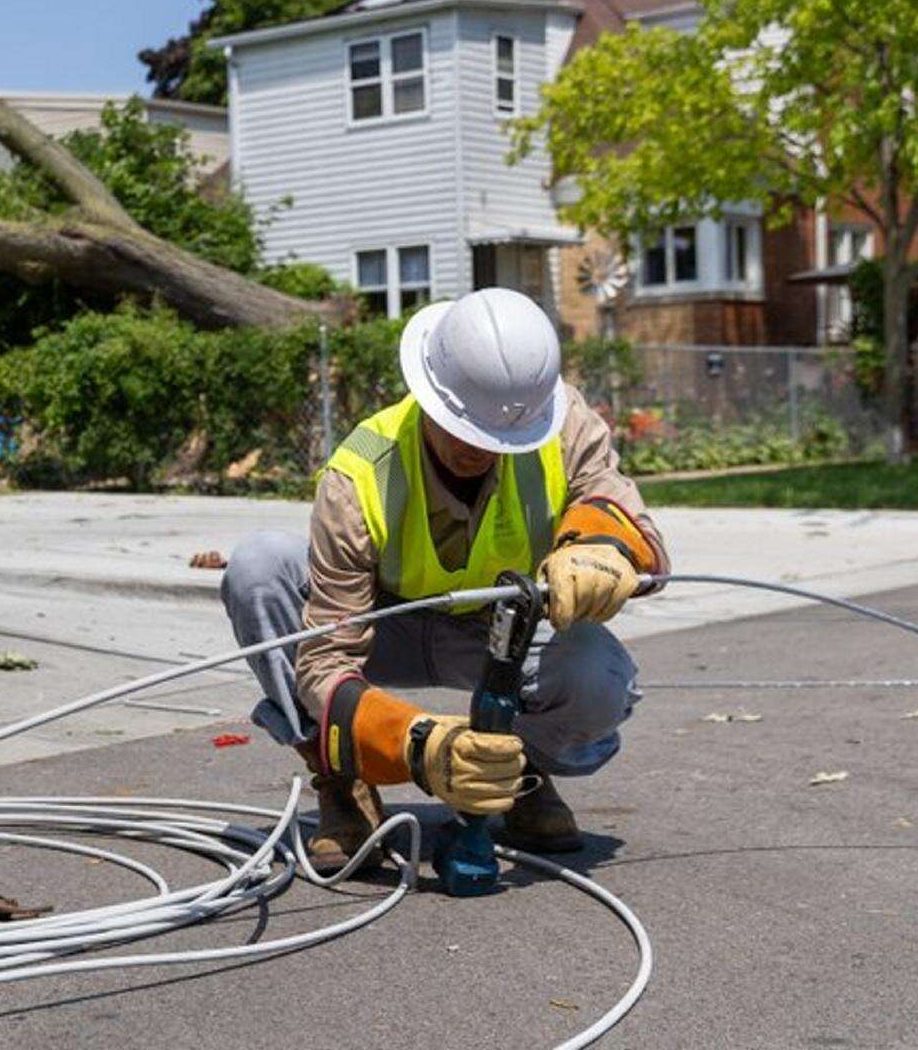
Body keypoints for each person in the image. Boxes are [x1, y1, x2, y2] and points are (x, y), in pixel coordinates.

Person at [221, 288, 665, 871]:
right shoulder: (360, 474)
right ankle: (342, 777)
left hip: (497, 634)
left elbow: (629, 521)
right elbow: (326, 660)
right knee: (259, 568)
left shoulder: (560, 423)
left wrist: (603, 546)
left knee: (597, 674)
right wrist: (415, 743)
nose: (477, 451)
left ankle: (512, 772)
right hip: (386, 628)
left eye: (496, 439)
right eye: (463, 429)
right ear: (427, 395)